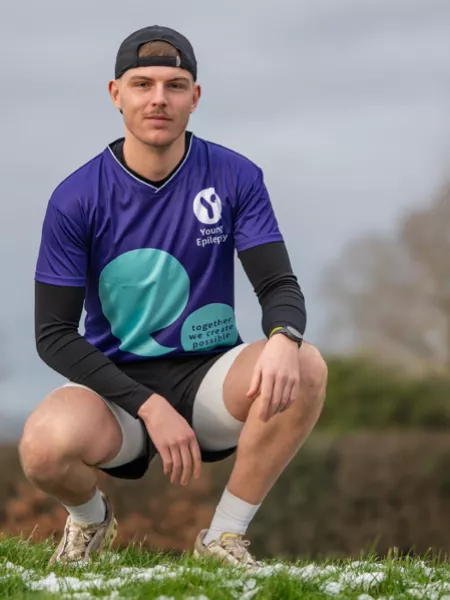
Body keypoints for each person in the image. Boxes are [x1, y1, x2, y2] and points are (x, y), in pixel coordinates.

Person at [20, 25, 327, 568]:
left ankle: (224, 538)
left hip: (211, 382)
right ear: (116, 94)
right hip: (117, 393)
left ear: (195, 97)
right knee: (42, 447)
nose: (158, 98)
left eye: (175, 84)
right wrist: (148, 405)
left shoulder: (235, 176)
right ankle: (91, 520)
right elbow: (52, 335)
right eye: (142, 84)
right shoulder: (75, 198)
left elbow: (278, 285)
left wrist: (284, 336)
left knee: (304, 363)